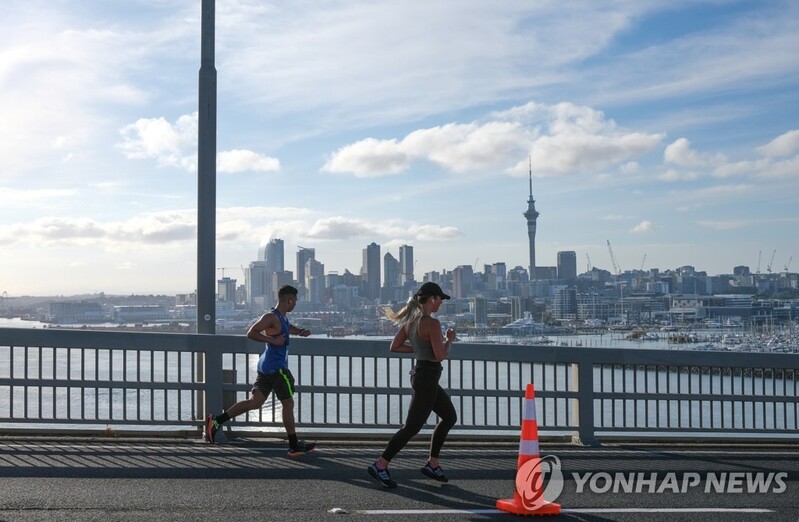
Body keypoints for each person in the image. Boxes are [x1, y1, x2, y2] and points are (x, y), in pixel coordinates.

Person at [205, 284, 316, 456]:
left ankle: (217, 421)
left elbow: (287, 328)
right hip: (276, 369)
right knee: (288, 403)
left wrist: (300, 331)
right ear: (289, 300)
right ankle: (294, 445)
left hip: (265, 368)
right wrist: (272, 341)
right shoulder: (271, 317)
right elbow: (251, 333)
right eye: (295, 301)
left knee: (255, 403)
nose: (296, 304)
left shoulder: (282, 318)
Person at [367, 282, 458, 488]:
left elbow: (395, 347)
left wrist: (418, 350)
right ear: (432, 299)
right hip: (427, 377)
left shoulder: (410, 321)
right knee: (411, 427)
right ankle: (380, 465)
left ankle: (432, 464)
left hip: (424, 375)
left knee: (449, 417)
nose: (441, 303)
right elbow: (441, 355)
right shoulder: (432, 323)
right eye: (440, 299)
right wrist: (449, 340)